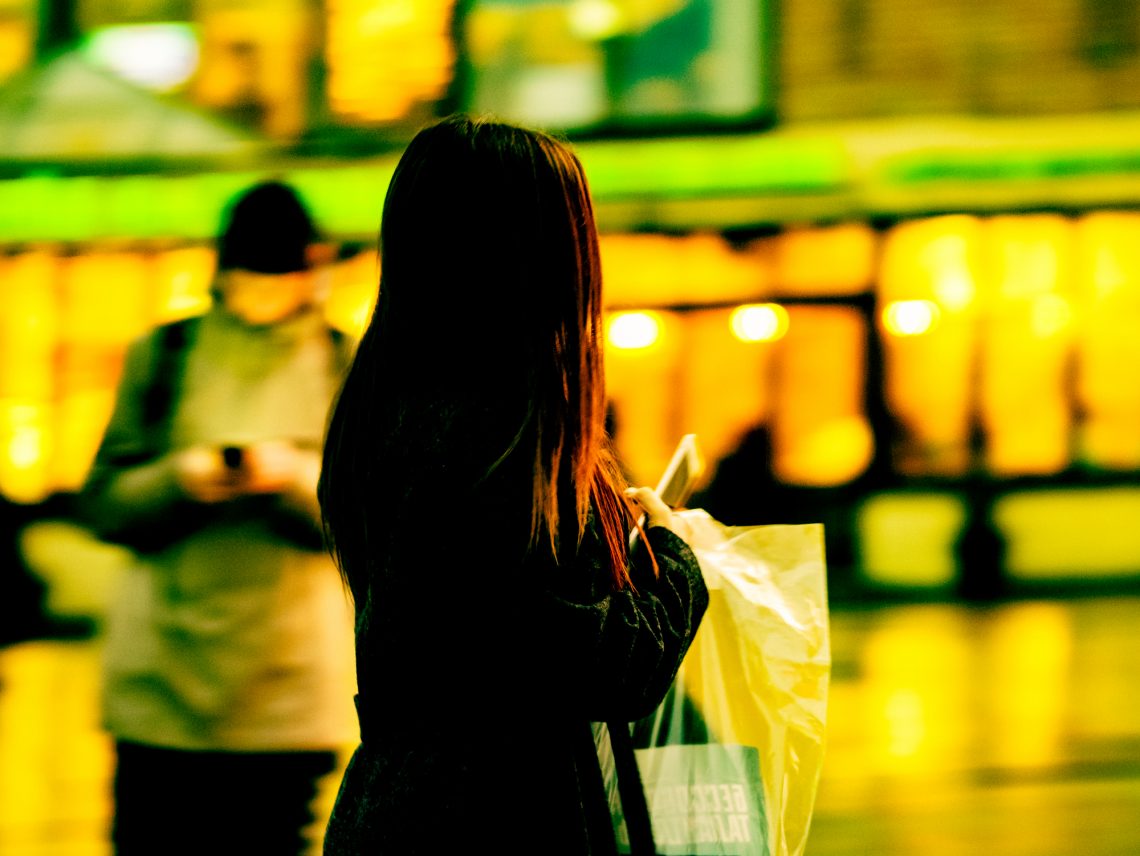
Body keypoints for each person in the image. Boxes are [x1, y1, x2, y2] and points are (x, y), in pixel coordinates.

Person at [318, 114, 709, 854]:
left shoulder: (388, 403)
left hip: (410, 804)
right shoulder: (490, 438)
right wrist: (674, 553)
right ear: (535, 260)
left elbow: (497, 626)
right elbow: (604, 666)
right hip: (490, 818)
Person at [80, 181, 358, 855]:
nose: (264, 291)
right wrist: (182, 478)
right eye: (250, 276)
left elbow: (372, 523)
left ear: (312, 273)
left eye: (280, 276)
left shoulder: (346, 362)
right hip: (161, 685)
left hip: (291, 689)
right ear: (220, 272)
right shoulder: (166, 354)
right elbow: (104, 505)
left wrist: (292, 480)